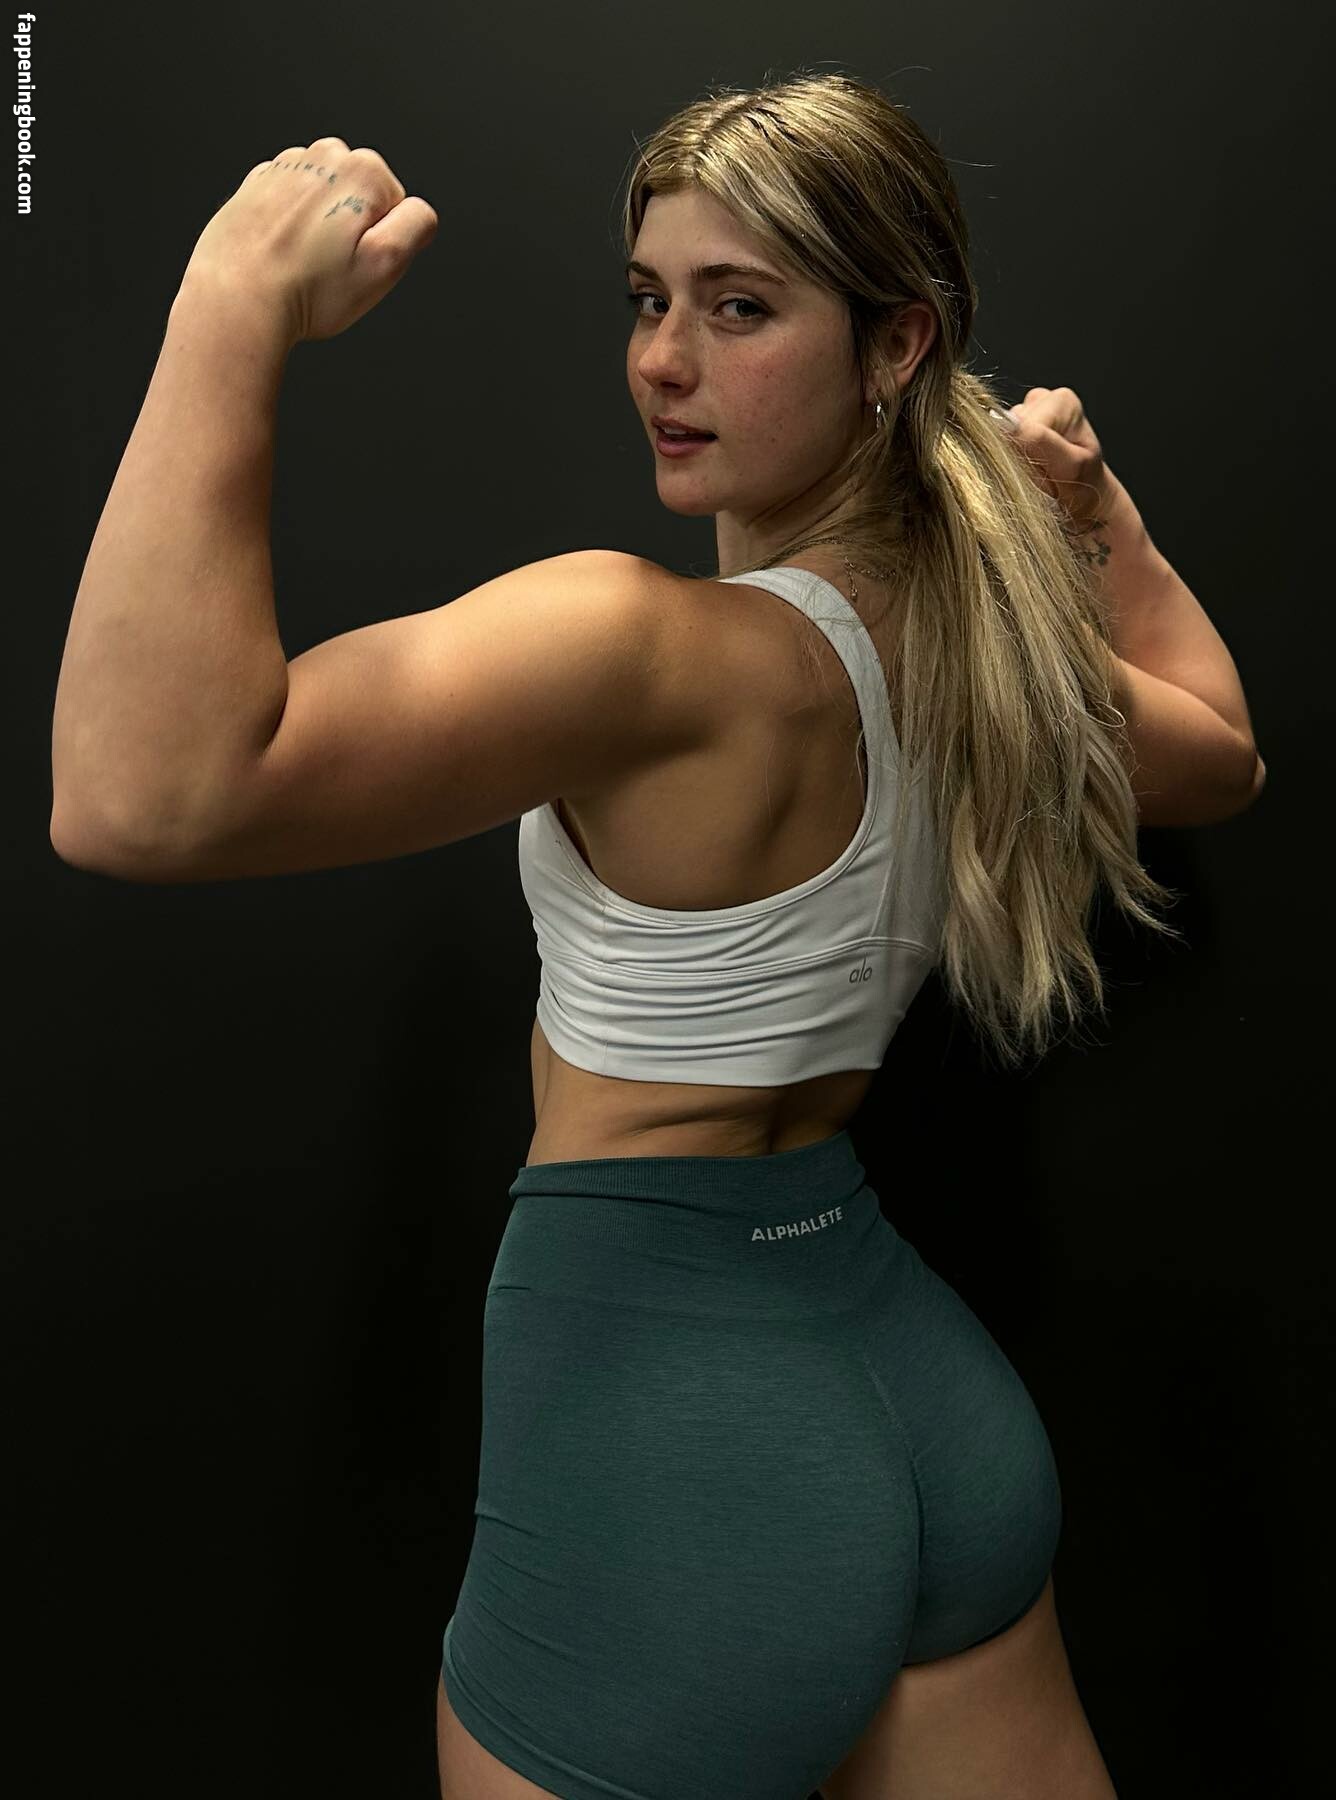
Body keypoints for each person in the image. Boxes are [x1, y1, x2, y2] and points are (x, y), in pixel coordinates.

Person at [52, 71, 1264, 1800]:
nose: (663, 363)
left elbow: (136, 797)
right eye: (649, 300)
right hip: (925, 1402)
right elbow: (1226, 753)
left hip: (670, 1433)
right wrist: (1100, 520)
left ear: (897, 344)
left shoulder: (643, 653)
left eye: (739, 308)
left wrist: (226, 310)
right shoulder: (991, 655)